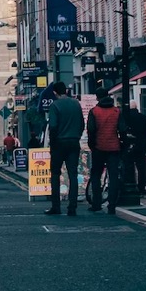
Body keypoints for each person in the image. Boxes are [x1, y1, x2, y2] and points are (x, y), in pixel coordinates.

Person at [46, 81, 84, 216]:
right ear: (66, 91)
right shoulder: (75, 104)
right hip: (74, 142)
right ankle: (72, 207)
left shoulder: (55, 105)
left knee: (55, 174)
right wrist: (76, 136)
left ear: (55, 92)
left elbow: (53, 127)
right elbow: (81, 124)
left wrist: (53, 144)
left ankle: (56, 206)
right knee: (73, 174)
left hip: (59, 143)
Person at [85, 88, 126, 214]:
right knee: (113, 176)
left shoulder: (94, 111)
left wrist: (92, 145)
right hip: (114, 147)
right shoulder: (117, 111)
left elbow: (91, 130)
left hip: (99, 148)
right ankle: (112, 205)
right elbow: (122, 129)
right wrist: (122, 144)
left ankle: (96, 203)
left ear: (97, 97)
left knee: (96, 175)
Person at [127, 100, 146, 195]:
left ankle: (131, 186)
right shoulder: (143, 117)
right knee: (141, 168)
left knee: (129, 167)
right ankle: (141, 188)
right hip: (141, 146)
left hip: (129, 146)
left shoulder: (126, 117)